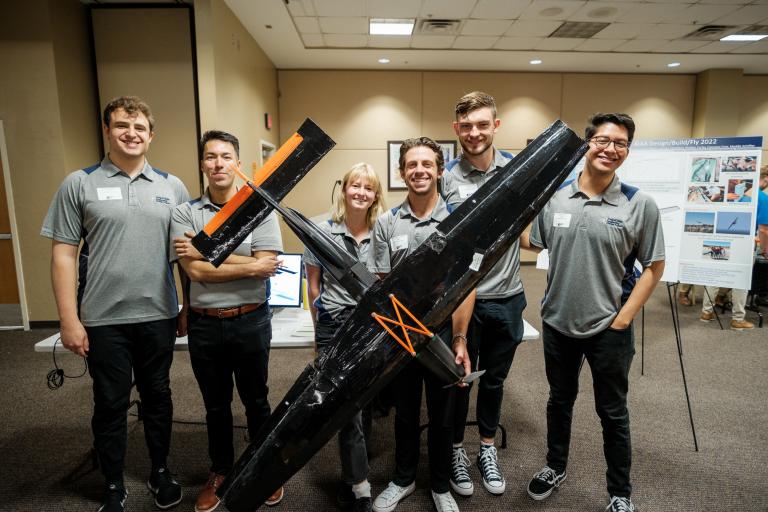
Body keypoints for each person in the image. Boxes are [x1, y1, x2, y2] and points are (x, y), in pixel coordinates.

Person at [41, 96, 189, 512]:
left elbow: (184, 254)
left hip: (158, 314)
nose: (132, 133)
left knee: (158, 397)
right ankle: (112, 483)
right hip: (104, 319)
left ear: (151, 135)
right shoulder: (79, 183)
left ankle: (160, 471)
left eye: (140, 127)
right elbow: (63, 255)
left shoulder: (171, 186)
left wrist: (186, 307)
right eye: (123, 125)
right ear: (107, 130)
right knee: (109, 402)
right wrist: (69, 320)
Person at [521, 113, 665, 512]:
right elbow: (530, 241)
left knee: (613, 413)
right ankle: (555, 466)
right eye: (602, 140)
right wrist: (526, 194)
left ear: (627, 151)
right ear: (587, 144)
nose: (610, 149)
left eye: (620, 143)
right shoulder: (557, 198)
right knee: (559, 401)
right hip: (558, 324)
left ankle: (620, 493)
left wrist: (623, 318)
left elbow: (655, 267)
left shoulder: (639, 204)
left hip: (609, 328)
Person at [171, 130, 285, 511]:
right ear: (202, 163)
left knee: (257, 400)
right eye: (210, 157)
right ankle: (220, 470)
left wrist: (207, 251)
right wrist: (246, 262)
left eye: (225, 156)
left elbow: (265, 267)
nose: (218, 164)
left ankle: (261, 467)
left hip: (250, 320)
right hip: (204, 324)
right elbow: (195, 272)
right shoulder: (184, 211)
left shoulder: (260, 208)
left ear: (236, 163)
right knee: (215, 405)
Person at [370, 137, 473, 512]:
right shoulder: (387, 222)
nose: (419, 171)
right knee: (406, 412)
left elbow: (466, 286)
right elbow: (381, 282)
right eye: (412, 165)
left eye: (427, 164)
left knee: (445, 414)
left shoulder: (457, 221)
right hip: (401, 333)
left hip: (443, 331)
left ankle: (441, 484)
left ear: (439, 170)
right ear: (401, 173)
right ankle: (403, 478)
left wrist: (460, 338)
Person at [440, 91, 525, 497]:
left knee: (494, 380)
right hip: (462, 300)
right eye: (466, 126)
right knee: (461, 380)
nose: (474, 133)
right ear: (457, 129)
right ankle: (456, 450)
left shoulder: (517, 171)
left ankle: (486, 448)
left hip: (507, 297)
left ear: (496, 125)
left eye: (482, 124)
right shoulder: (445, 179)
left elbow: (530, 231)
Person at [304, 162, 385, 512]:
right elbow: (313, 285)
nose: (361, 193)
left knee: (362, 400)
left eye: (368, 188)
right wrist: (318, 332)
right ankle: (360, 485)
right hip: (334, 324)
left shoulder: (381, 231)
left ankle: (352, 474)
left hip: (368, 325)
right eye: (355, 185)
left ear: (375, 195)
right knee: (346, 405)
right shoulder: (321, 230)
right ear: (344, 188)